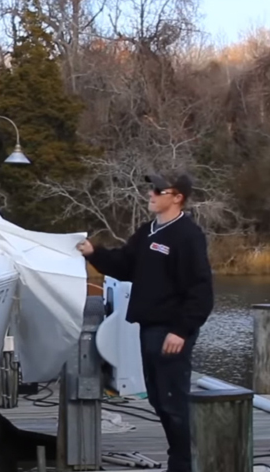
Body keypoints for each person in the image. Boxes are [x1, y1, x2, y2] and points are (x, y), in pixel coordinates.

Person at [76, 171, 214, 472]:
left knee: (173, 402)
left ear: (177, 197)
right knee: (157, 399)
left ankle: (185, 465)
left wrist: (181, 330)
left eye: (158, 191)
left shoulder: (187, 235)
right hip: (149, 328)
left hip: (172, 331)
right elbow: (125, 265)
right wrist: (93, 253)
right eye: (152, 189)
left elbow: (201, 291)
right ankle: (178, 460)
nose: (151, 194)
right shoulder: (148, 231)